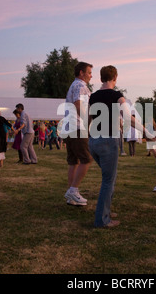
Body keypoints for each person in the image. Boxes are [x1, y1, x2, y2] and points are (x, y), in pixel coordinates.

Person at [89, 65, 151, 228]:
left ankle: (106, 210)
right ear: (115, 77)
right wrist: (146, 132)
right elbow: (129, 118)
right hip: (108, 140)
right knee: (108, 180)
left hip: (93, 140)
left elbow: (89, 118)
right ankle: (102, 220)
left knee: (109, 178)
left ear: (101, 77)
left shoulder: (93, 96)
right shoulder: (117, 95)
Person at [62, 62, 94, 206]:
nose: (91, 75)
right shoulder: (80, 86)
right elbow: (78, 104)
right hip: (78, 127)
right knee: (86, 159)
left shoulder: (73, 85)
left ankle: (71, 194)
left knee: (73, 161)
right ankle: (73, 191)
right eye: (89, 72)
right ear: (81, 73)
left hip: (69, 127)